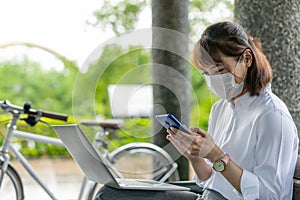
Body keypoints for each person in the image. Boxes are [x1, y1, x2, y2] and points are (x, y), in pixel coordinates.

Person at [95, 21, 299, 200]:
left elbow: (272, 196)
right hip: (208, 195)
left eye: (219, 71)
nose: (213, 81)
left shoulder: (272, 117)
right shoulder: (221, 109)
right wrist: (195, 157)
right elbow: (210, 181)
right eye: (206, 74)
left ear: (247, 58)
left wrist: (217, 156)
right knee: (109, 193)